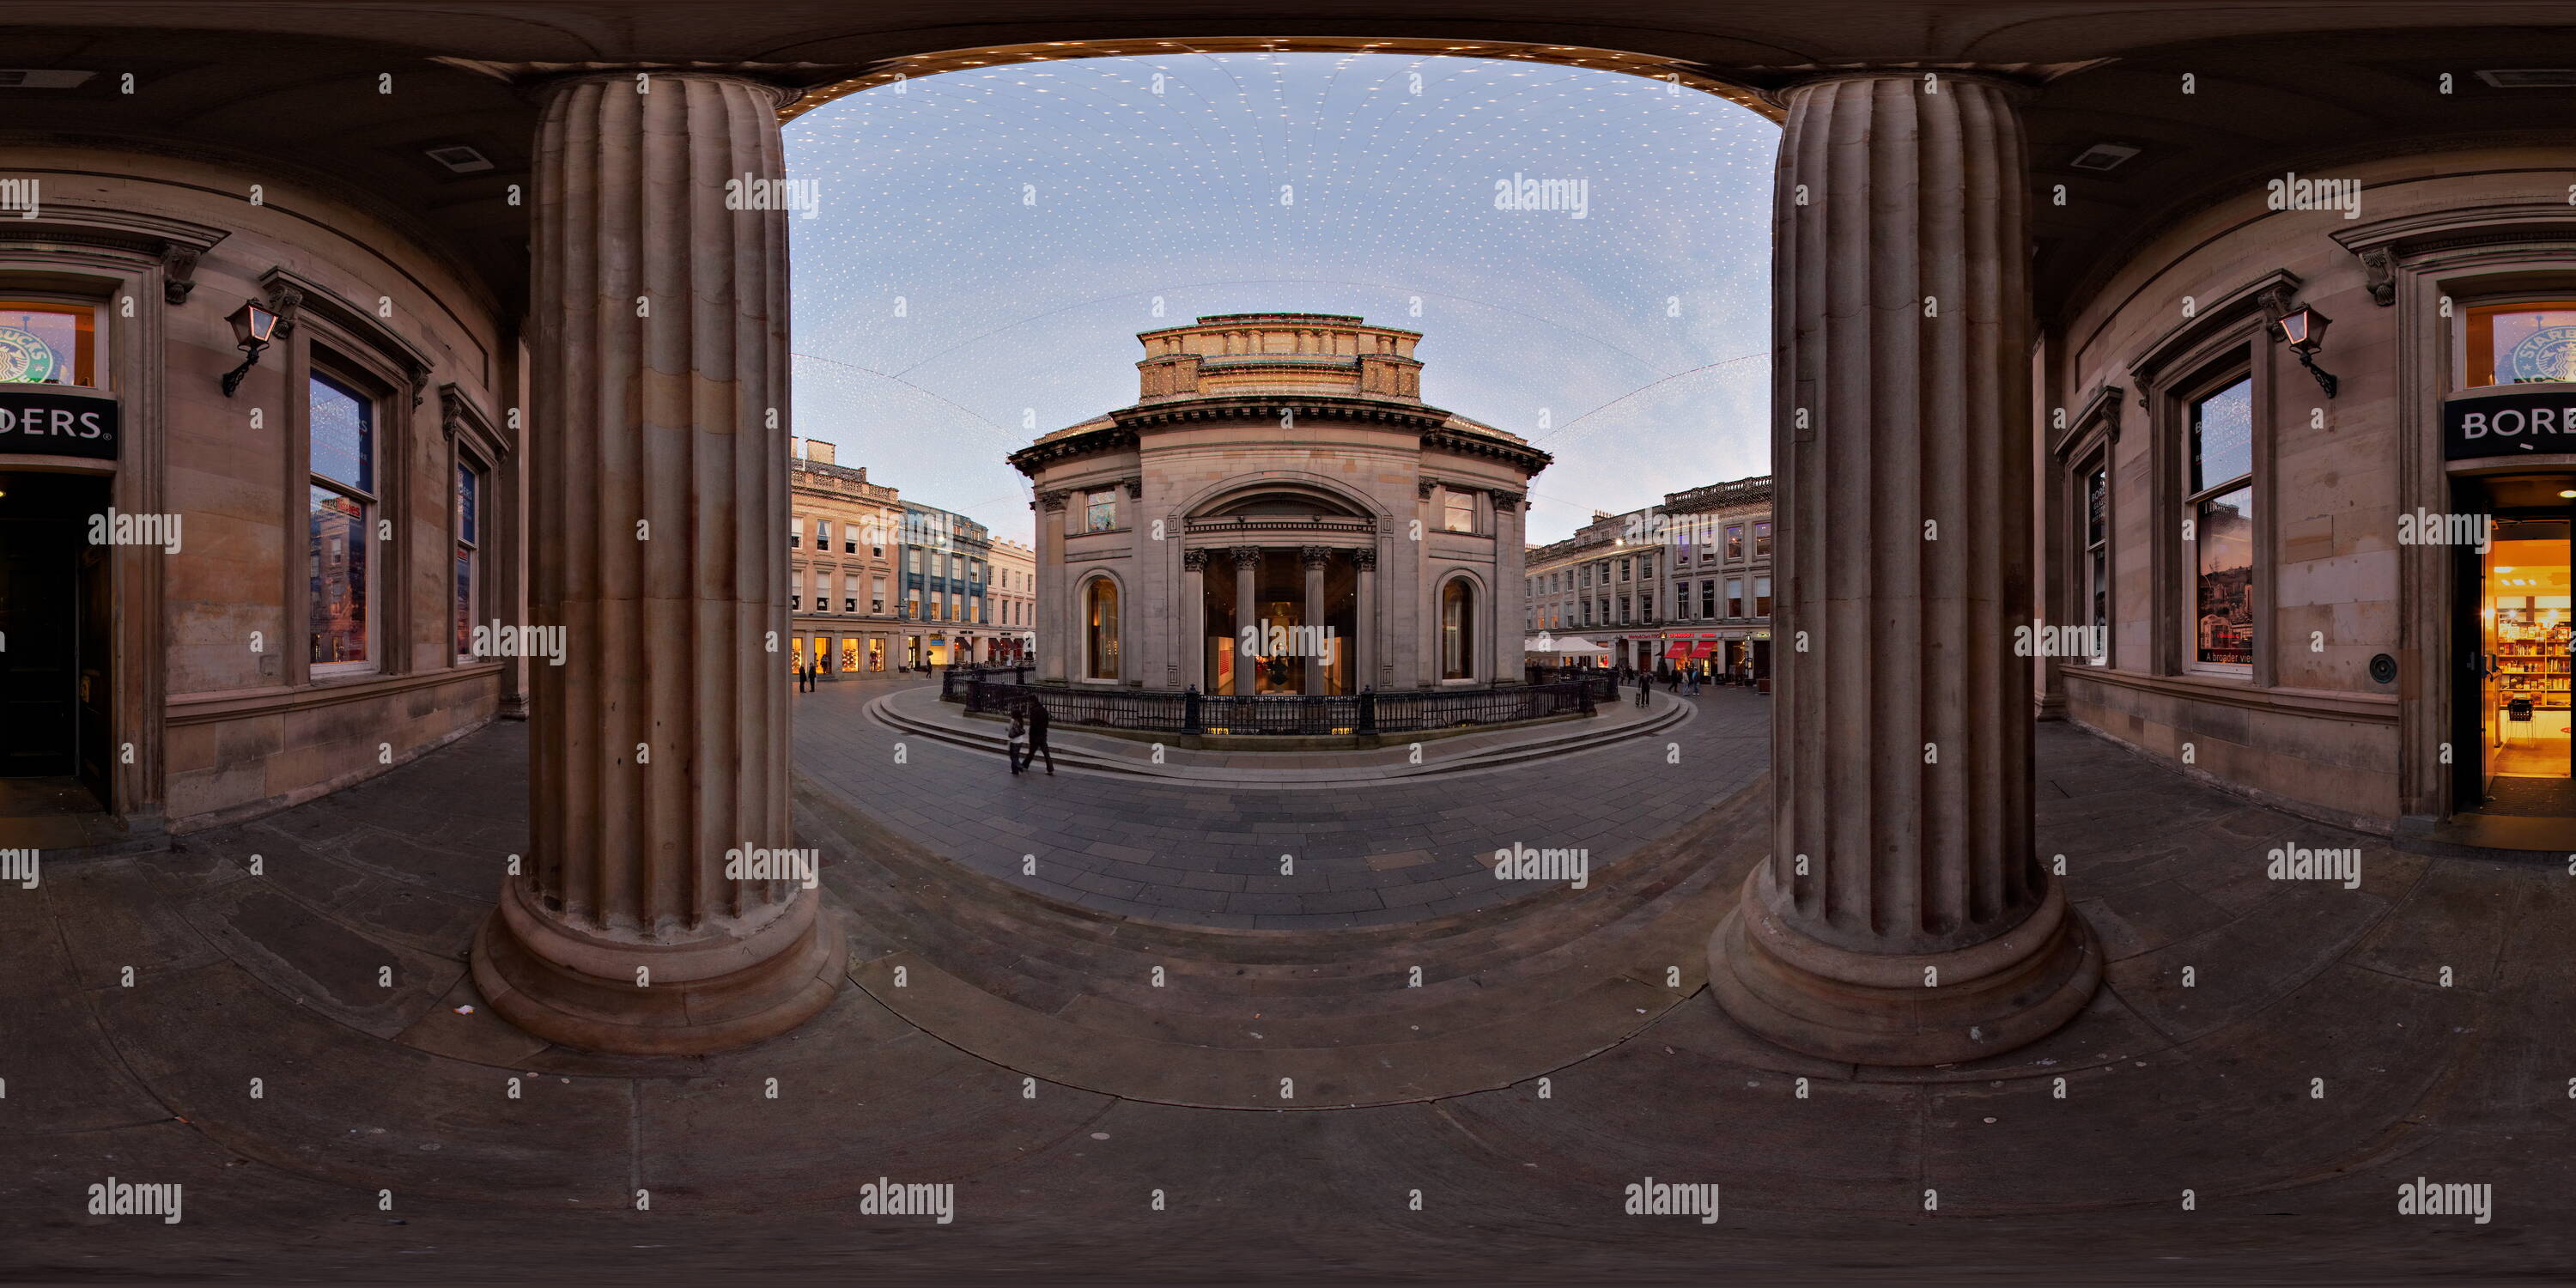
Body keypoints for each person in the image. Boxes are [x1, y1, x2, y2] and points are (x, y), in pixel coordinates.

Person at [1012, 695, 1055, 776]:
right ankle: (1050, 769)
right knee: (1045, 752)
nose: (1029, 703)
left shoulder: (1033, 711)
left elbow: (1033, 724)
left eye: (1030, 702)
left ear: (1032, 702)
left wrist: (1031, 735)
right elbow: (1046, 723)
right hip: (1043, 734)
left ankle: (1024, 766)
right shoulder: (1044, 709)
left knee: (1031, 752)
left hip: (1035, 735)